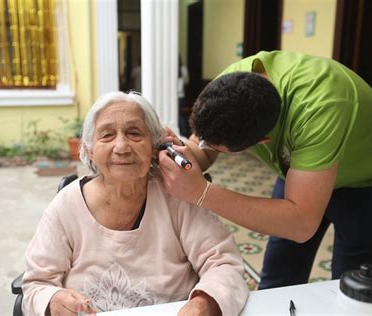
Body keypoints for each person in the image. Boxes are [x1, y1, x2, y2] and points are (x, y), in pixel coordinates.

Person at [158, 51, 372, 290]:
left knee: (353, 287)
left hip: (370, 179)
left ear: (263, 142)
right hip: (298, 173)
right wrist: (185, 154)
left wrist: (202, 193)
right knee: (278, 276)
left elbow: (301, 224)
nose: (202, 144)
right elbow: (205, 146)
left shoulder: (320, 108)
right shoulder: (232, 84)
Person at [22, 91, 248, 315]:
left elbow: (224, 264)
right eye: (107, 135)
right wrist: (52, 299)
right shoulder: (67, 205)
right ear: (90, 150)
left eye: (134, 133)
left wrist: (203, 303)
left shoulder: (178, 197)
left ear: (155, 146)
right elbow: (36, 284)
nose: (121, 147)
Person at [178, 55, 190, 137]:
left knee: (178, 114)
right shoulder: (183, 69)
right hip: (181, 94)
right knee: (180, 114)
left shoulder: (169, 67)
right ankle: (184, 131)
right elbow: (186, 81)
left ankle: (182, 131)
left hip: (173, 96)